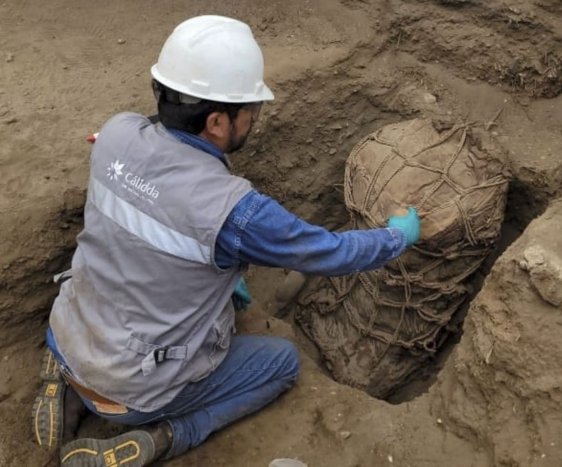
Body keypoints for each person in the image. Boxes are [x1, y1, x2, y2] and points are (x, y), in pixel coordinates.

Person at [32, 15, 421, 467]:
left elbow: (150, 218)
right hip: (136, 389)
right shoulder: (236, 211)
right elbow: (329, 253)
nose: (254, 120)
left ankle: (60, 379)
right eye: (250, 112)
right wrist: (396, 237)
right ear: (217, 121)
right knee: (282, 364)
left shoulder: (116, 133)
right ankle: (166, 438)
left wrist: (216, 273)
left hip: (68, 333)